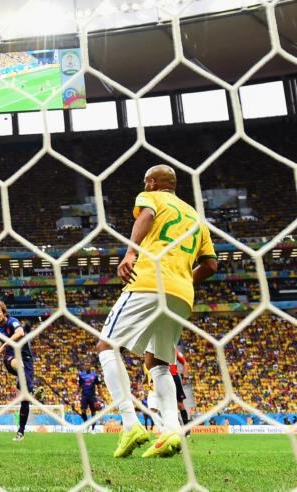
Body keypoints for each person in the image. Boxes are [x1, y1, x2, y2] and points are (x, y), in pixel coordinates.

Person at [94, 164, 218, 459]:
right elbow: (211, 265)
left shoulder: (151, 198)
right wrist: (185, 280)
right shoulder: (195, 218)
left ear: (152, 182)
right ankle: (172, 431)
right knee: (158, 363)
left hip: (148, 281)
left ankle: (129, 424)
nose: (144, 184)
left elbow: (146, 216)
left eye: (145, 180)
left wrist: (131, 251)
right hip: (181, 293)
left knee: (106, 346)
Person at [0, 301, 42, 441]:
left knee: (25, 397)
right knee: (18, 365)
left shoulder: (13, 322)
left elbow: (20, 332)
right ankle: (32, 389)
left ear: (4, 313)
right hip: (11, 354)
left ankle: (21, 431)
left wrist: (3, 344)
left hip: (26, 357)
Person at [76, 367, 101, 433]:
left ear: (91, 367)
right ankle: (87, 425)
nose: (87, 367)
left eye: (88, 365)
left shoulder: (95, 375)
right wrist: (76, 394)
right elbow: (79, 385)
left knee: (93, 412)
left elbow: (98, 385)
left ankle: (93, 429)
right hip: (84, 396)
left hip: (92, 396)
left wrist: (101, 395)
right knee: (83, 411)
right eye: (86, 365)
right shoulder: (81, 375)